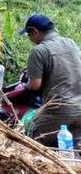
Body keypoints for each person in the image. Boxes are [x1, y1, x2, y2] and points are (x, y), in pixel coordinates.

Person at [20, 14, 81, 147]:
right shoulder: (70, 42)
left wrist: (27, 83)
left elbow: (35, 85)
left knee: (28, 141)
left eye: (29, 34)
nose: (29, 38)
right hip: (79, 107)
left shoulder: (39, 51)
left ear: (35, 32)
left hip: (59, 109)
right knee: (72, 152)